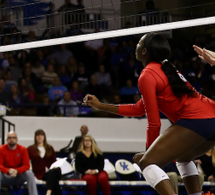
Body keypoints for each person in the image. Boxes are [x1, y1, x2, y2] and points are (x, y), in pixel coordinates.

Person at [84, 33, 215, 195]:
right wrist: (100, 106)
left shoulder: (147, 75)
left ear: (145, 51)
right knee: (183, 158)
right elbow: (139, 109)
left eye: (139, 43)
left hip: (197, 119)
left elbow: (154, 123)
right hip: (211, 117)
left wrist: (149, 152)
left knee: (147, 163)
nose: (136, 46)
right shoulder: (166, 67)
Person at [0, 131, 38, 195]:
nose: (11, 139)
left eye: (13, 138)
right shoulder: (0, 149)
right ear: (7, 139)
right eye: (10, 138)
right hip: (5, 175)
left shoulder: (23, 149)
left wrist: (17, 171)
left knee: (29, 173)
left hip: (19, 176)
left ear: (17, 139)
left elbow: (26, 165)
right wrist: (8, 171)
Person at [27, 129, 61, 195]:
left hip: (52, 171)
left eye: (41, 135)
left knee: (53, 172)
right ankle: (49, 192)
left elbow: (54, 161)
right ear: (35, 137)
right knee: (54, 180)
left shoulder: (50, 148)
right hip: (40, 174)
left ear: (44, 137)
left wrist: (55, 166)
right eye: (38, 135)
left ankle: (48, 192)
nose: (39, 137)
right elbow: (27, 161)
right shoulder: (30, 149)